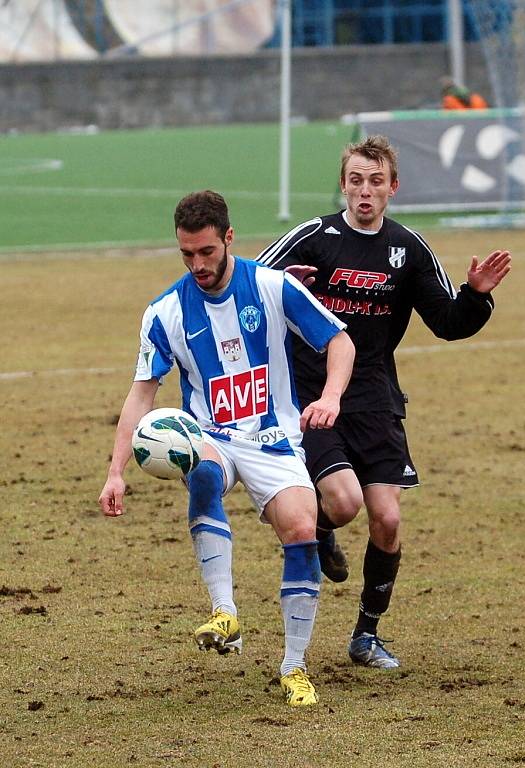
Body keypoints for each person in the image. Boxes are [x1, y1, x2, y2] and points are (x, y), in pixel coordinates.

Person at [256, 135, 511, 670]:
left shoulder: (409, 249)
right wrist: (280, 285)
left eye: (375, 181)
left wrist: (477, 294)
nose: (364, 191)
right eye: (355, 180)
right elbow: (246, 290)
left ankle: (365, 637)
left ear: (393, 187)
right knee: (344, 503)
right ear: (343, 185)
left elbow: (448, 322)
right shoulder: (313, 237)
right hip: (312, 392)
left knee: (388, 520)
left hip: (374, 394)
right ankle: (322, 529)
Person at [98, 190, 355, 707]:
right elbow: (141, 394)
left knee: (304, 528)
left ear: (228, 239)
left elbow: (339, 341)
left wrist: (329, 397)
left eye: (206, 252)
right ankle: (225, 612)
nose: (197, 264)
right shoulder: (165, 311)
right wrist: (115, 471)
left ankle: (294, 666)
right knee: (204, 475)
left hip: (274, 438)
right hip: (211, 435)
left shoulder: (271, 286)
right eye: (187, 254)